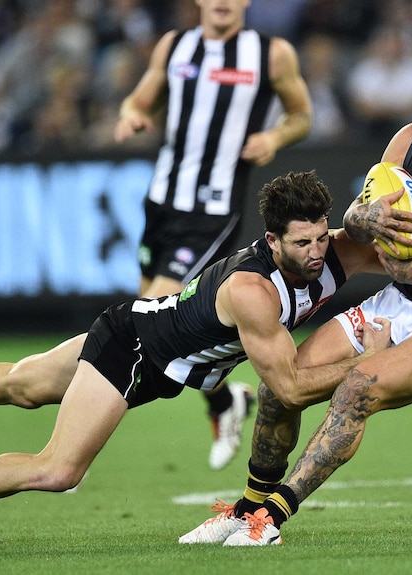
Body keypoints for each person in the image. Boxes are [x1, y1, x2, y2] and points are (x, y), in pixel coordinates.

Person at [0, 170, 391, 552]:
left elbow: (400, 255)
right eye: (302, 243)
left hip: (138, 323)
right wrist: (369, 364)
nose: (317, 251)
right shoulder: (254, 291)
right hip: (134, 352)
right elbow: (291, 389)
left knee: (24, 383)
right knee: (59, 469)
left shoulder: (331, 249)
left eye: (322, 236)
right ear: (273, 240)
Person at [179, 52, 412, 546]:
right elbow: (362, 209)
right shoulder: (409, 142)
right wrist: (361, 220)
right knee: (281, 388)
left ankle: (273, 519)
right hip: (397, 301)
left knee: (357, 389)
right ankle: (247, 508)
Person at [113, 0, 313, 469]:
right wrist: (131, 115)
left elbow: (302, 115)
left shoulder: (271, 54)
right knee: (166, 327)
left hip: (212, 209)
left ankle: (79, 436)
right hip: (161, 202)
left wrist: (274, 138)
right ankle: (226, 403)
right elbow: (138, 100)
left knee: (142, 327)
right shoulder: (175, 45)